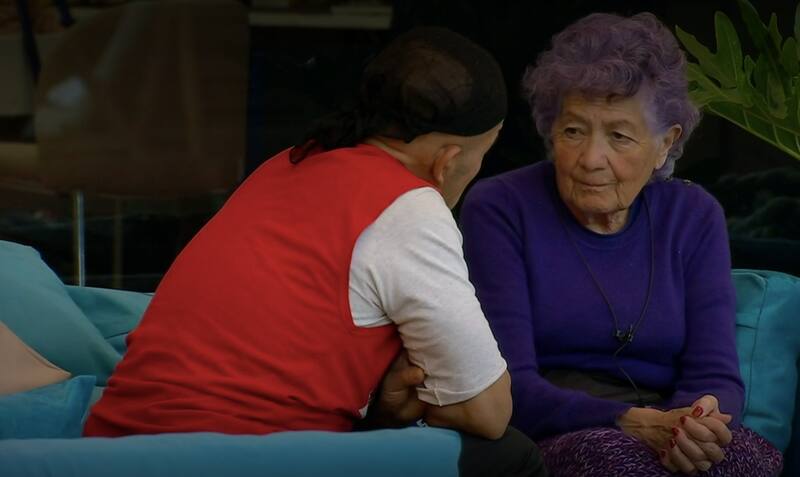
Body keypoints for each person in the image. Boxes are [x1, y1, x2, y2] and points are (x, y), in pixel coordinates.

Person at [83, 27, 547, 477]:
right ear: (448, 161)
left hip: (114, 447)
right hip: (234, 456)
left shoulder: (286, 162)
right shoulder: (411, 207)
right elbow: (487, 410)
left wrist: (385, 402)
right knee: (511, 455)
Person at [459, 12, 782, 477]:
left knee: (745, 462)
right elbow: (507, 385)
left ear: (665, 145)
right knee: (620, 464)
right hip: (552, 428)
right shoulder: (501, 208)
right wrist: (628, 422)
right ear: (550, 130)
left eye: (619, 135)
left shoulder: (693, 215)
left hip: (669, 420)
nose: (591, 158)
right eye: (573, 131)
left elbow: (715, 372)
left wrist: (696, 421)